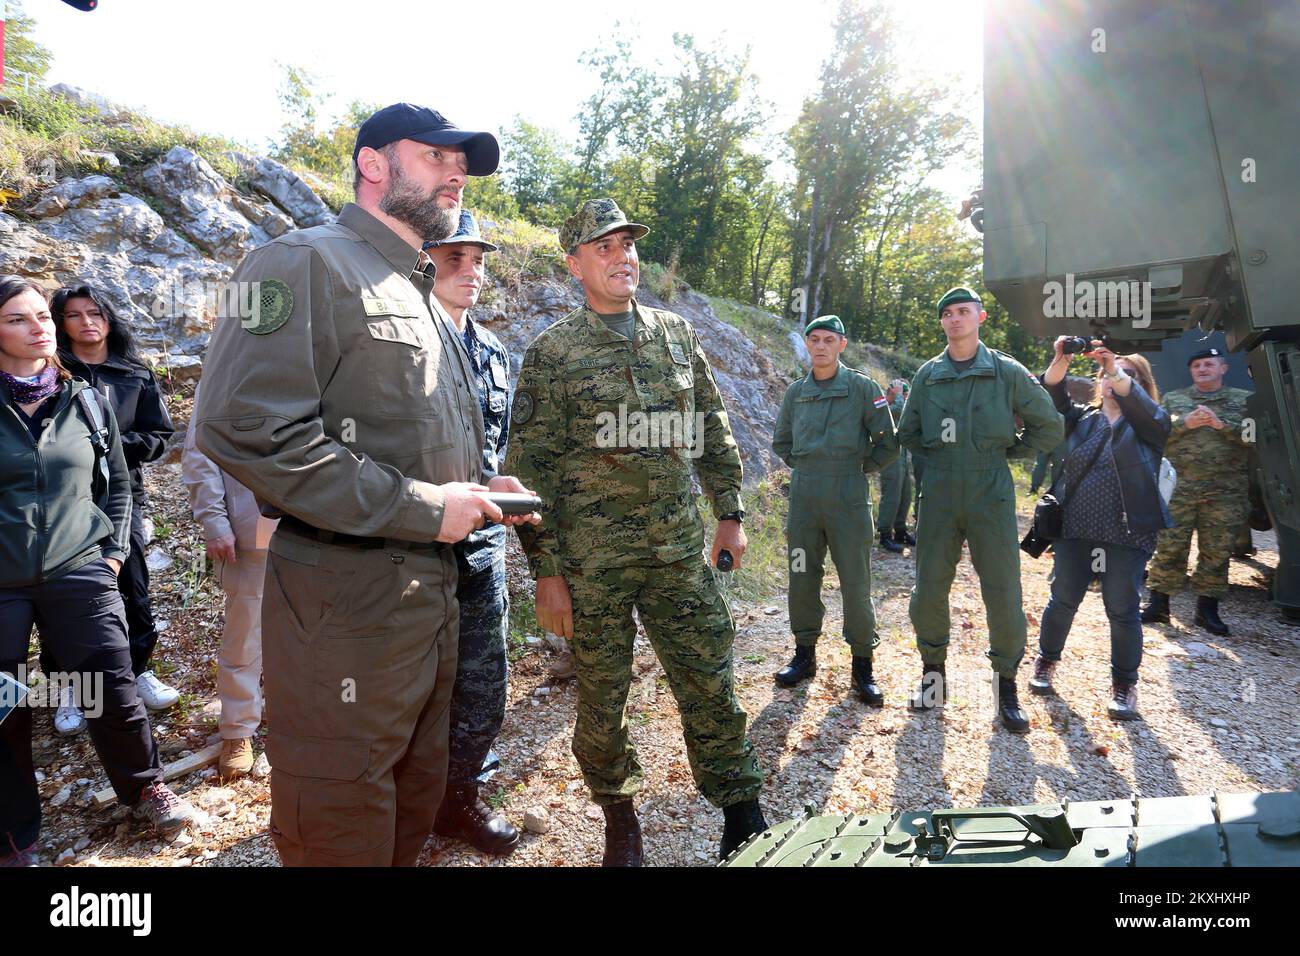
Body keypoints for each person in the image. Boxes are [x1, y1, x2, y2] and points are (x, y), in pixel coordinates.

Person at [193, 103, 538, 867]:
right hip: (344, 608)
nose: (457, 172)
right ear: (373, 165)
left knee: (407, 809)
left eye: (464, 162)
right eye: (436, 156)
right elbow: (245, 427)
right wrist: (423, 507)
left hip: (431, 602)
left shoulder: (418, 291)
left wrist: (478, 486)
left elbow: (393, 434)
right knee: (342, 822)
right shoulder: (300, 262)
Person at [505, 198, 766, 866]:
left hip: (678, 550)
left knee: (709, 679)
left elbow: (712, 424)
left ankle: (742, 812)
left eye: (628, 244)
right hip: (595, 564)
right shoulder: (553, 352)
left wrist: (729, 513)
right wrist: (548, 572)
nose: (623, 257)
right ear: (575, 264)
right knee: (601, 700)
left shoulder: (677, 336)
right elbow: (529, 475)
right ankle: (621, 819)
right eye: (604, 247)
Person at [0, 277, 196, 866]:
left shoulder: (85, 397)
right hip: (2, 582)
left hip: (78, 566)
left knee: (109, 687)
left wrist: (109, 555)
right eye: (18, 319)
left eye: (41, 315)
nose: (38, 327)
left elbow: (115, 482)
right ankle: (15, 832)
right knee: (6, 705)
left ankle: (144, 788)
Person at [896, 286, 1063, 733]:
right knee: (929, 586)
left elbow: (1049, 426)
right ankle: (933, 677)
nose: (955, 319)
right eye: (947, 313)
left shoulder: (1005, 371)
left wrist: (1005, 454)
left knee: (1002, 588)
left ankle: (1005, 685)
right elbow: (908, 431)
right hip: (941, 487)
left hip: (990, 487)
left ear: (980, 317)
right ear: (942, 322)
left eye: (963, 312)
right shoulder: (928, 375)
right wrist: (941, 461)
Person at [420, 210, 519, 855]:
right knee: (407, 686)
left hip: (481, 549)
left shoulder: (494, 354)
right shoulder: (399, 345)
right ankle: (399, 804)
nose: (470, 271)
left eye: (478, 259)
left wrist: (504, 487)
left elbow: (496, 452)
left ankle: (457, 801)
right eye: (455, 257)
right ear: (425, 261)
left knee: (483, 682)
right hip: (409, 545)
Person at [41, 287, 178, 736]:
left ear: (109, 318)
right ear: (61, 324)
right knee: (63, 592)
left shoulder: (134, 373)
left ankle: (137, 671)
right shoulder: (53, 372)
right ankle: (67, 687)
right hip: (63, 498)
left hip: (124, 496)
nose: (86, 322)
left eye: (95, 313)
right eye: (73, 315)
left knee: (132, 585)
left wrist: (115, 447)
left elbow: (159, 435)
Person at [1028, 340, 1171, 719]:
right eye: (1105, 372)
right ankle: (1045, 661)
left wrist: (1116, 368)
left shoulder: (1151, 426)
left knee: (1122, 610)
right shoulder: (1083, 419)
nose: (1110, 378)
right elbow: (1053, 395)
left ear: (1138, 384)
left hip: (1127, 535)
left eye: (1125, 374)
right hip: (1076, 529)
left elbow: (1151, 415)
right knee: (1062, 601)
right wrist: (1060, 359)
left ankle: (1124, 685)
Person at [771, 316, 898, 705]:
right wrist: (810, 466)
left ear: (841, 345)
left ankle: (863, 667)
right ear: (807, 345)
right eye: (815, 339)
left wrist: (858, 468)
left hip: (849, 494)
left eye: (829, 339)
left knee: (856, 583)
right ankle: (804, 656)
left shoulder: (862, 387)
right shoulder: (796, 392)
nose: (821, 346)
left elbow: (888, 442)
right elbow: (782, 442)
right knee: (801, 576)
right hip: (805, 495)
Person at [180, 381, 278, 780]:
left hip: (313, 530)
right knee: (245, 637)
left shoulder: (319, 357)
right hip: (251, 530)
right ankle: (238, 729)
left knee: (312, 638)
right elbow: (200, 451)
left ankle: (295, 723)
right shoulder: (228, 369)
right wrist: (214, 520)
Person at [1141, 348, 1253, 636]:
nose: (1203, 369)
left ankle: (1207, 611)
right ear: (1191, 372)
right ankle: (1159, 605)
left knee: (1216, 552)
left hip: (1224, 492)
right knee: (1170, 546)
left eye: (1209, 364)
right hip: (1181, 489)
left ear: (1223, 368)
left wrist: (1221, 425)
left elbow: (1256, 437)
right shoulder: (1175, 400)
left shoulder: (1243, 401)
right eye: (1197, 365)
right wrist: (1184, 423)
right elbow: (1156, 434)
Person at [876, 377, 914, 553]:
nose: (903, 396)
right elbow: (896, 410)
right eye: (899, 391)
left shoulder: (898, 403)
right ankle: (885, 534)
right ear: (890, 390)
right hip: (888, 458)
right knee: (891, 496)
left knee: (905, 495)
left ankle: (900, 530)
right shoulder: (879, 402)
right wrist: (897, 396)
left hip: (902, 457)